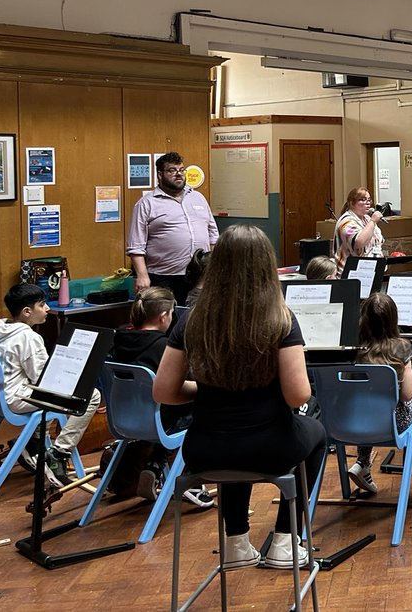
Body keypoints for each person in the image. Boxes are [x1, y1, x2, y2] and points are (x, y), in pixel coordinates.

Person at [153, 224, 327, 570]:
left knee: (233, 447)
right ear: (266, 266)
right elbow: (297, 396)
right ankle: (285, 540)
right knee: (317, 433)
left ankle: (235, 543)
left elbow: (164, 392)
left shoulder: (192, 321)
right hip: (269, 449)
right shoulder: (280, 320)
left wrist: (206, 389)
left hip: (204, 451)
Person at [0, 284, 102, 488]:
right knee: (90, 395)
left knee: (54, 394)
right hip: (17, 398)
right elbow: (44, 380)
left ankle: (34, 441)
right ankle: (59, 453)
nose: (48, 308)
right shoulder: (28, 337)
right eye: (42, 305)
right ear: (27, 312)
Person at [109, 287, 209, 506]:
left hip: (124, 420)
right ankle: (191, 479)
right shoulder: (162, 347)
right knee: (204, 399)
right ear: (164, 316)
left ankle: (155, 462)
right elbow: (183, 384)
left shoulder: (119, 338)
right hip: (160, 421)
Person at [345, 294, 412, 495]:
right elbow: (407, 395)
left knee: (366, 406)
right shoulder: (402, 348)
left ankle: (362, 463)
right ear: (393, 319)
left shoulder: (352, 349)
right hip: (391, 423)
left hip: (352, 422)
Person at [126, 152, 220, 304]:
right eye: (172, 170)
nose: (179, 175)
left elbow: (213, 235)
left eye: (182, 170)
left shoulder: (198, 198)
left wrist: (214, 268)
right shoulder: (146, 204)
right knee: (168, 321)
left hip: (200, 276)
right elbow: (136, 246)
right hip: (165, 278)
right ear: (159, 175)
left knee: (196, 321)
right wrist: (142, 276)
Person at [333, 187, 385, 276]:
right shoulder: (346, 221)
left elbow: (379, 240)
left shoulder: (367, 219)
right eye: (363, 200)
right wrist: (373, 221)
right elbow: (359, 242)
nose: (368, 203)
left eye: (369, 200)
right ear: (352, 203)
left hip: (370, 271)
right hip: (350, 273)